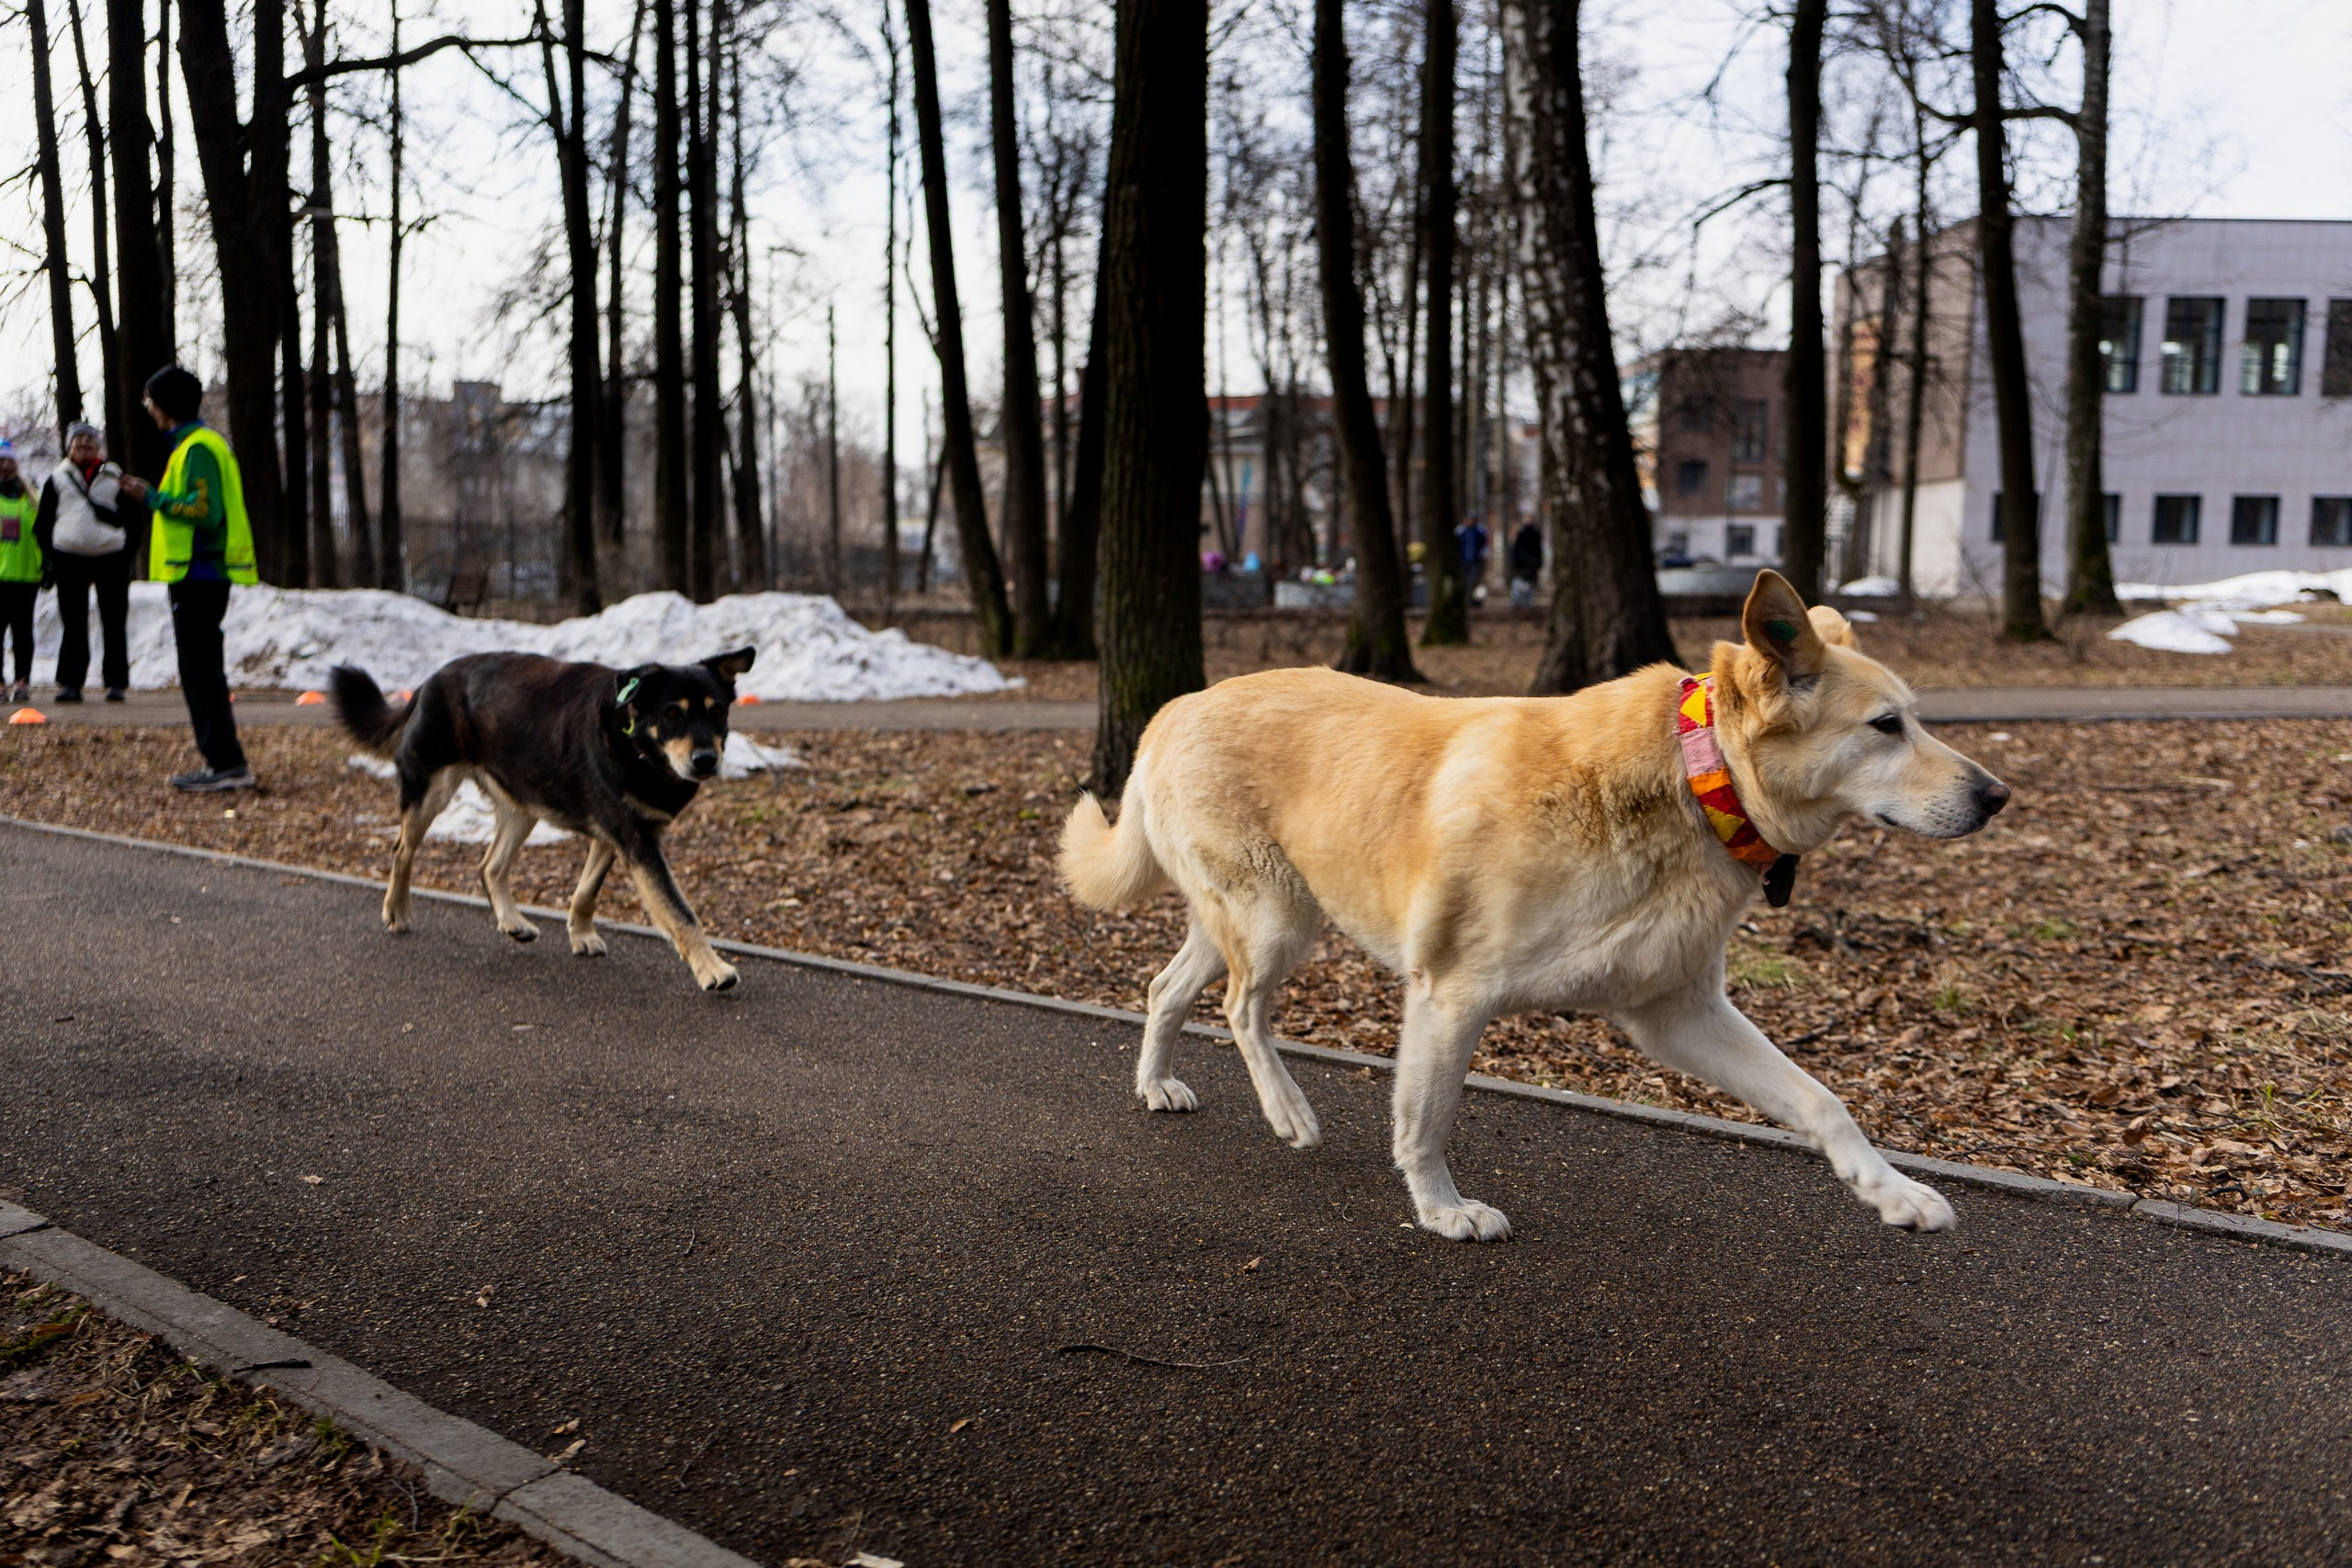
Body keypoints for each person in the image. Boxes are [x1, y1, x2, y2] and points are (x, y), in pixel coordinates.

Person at [116, 367, 257, 792]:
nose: (148, 409)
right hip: (201, 576)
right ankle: (224, 761)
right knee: (202, 669)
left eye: (149, 401)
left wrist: (152, 497)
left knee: (200, 671)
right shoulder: (196, 445)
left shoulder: (196, 448)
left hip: (200, 575)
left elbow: (206, 512)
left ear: (165, 404)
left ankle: (226, 763)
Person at [35, 422, 131, 703]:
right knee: (73, 622)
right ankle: (71, 683)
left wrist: (126, 552)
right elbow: (43, 523)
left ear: (99, 446)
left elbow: (132, 518)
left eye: (90, 440)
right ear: (69, 447)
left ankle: (116, 683)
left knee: (114, 621)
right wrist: (50, 559)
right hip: (69, 558)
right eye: (79, 441)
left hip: (111, 558)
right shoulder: (56, 478)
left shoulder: (115, 476)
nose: (85, 445)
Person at [0, 440, 39, 702]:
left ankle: (22, 681)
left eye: (10, 461)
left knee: (23, 632)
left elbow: (43, 532)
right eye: (1, 461)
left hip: (27, 575)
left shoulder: (31, 496)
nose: (5, 466)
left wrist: (48, 564)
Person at [1509, 519, 1544, 609]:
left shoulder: (1531, 535)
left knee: (1523, 584)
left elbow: (1538, 551)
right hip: (1526, 565)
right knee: (1522, 584)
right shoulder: (1525, 534)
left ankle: (1521, 603)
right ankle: (1522, 603)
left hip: (1526, 565)